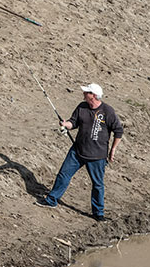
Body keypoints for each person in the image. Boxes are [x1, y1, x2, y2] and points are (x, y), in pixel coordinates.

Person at [36, 83, 124, 221]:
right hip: (77, 151)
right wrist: (66, 125)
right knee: (63, 174)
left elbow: (118, 131)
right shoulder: (81, 107)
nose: (83, 94)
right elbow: (73, 122)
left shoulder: (108, 111)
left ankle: (98, 213)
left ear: (93, 96)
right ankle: (52, 200)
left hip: (97, 156)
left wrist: (113, 149)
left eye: (86, 92)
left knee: (97, 184)